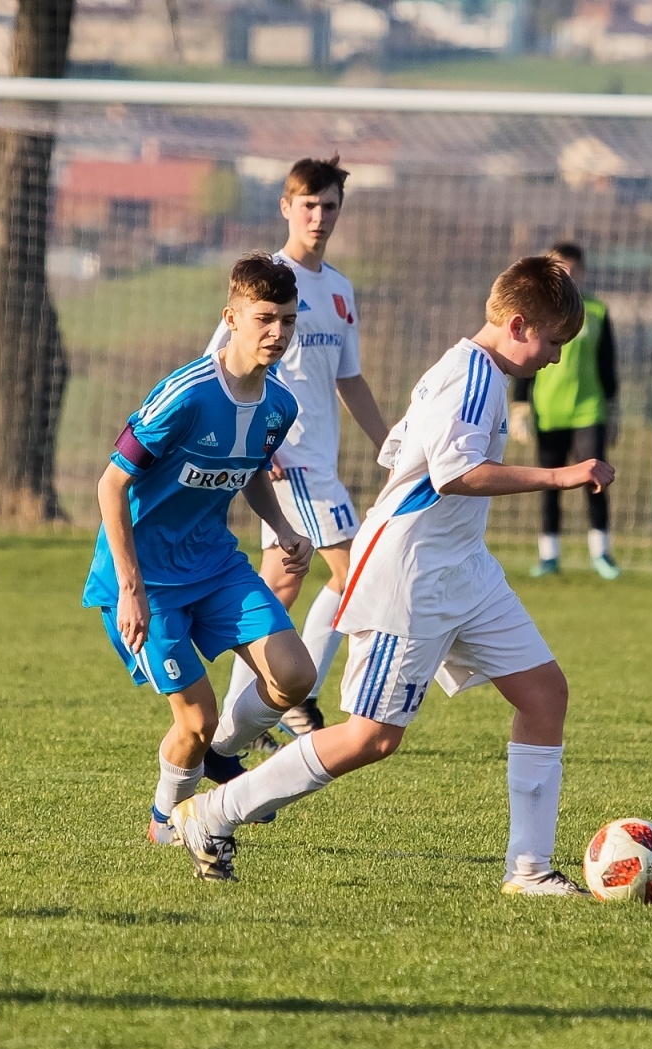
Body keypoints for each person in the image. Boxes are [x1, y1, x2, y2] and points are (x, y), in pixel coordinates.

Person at [169, 255, 614, 890]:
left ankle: (530, 870)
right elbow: (452, 473)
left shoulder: (465, 369)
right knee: (372, 738)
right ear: (517, 325)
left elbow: (399, 448)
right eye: (551, 342)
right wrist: (561, 475)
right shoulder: (473, 379)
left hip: (465, 568)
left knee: (544, 695)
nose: (555, 358)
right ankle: (214, 812)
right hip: (413, 576)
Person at [84, 253, 319, 845]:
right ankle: (167, 821)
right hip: (147, 581)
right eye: (265, 318)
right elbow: (111, 484)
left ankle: (222, 757)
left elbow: (251, 469)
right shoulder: (185, 395)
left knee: (294, 676)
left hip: (214, 563)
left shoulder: (279, 405)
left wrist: (284, 527)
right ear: (232, 317)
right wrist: (131, 590)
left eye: (288, 321)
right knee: (195, 719)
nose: (278, 333)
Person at [205, 155, 389, 740]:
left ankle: (246, 713)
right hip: (291, 458)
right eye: (307, 204)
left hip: (320, 459)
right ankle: (295, 698)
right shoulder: (268, 281)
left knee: (280, 583)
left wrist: (391, 446)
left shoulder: (338, 290)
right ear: (286, 206)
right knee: (355, 573)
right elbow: (218, 361)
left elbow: (349, 379)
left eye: (329, 205)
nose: (318, 216)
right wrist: (254, 442)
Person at [509, 241, 622, 579]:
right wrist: (519, 403)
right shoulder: (538, 312)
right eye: (561, 270)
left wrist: (614, 408)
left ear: (582, 273)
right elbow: (522, 356)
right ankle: (549, 555)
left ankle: (601, 553)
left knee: (596, 479)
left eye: (573, 271)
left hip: (588, 411)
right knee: (548, 481)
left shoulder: (597, 311)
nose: (568, 276)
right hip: (548, 411)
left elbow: (607, 364)